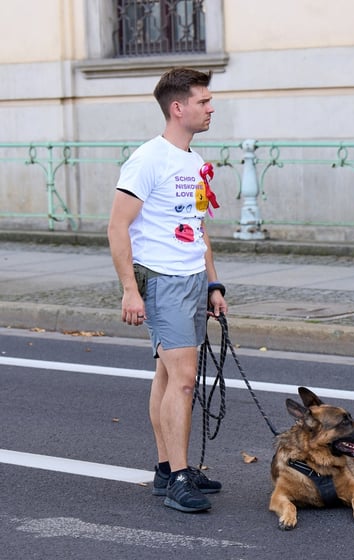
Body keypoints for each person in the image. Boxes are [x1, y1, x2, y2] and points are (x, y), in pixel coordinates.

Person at [107, 67, 226, 513]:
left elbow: (198, 227)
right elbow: (117, 227)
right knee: (184, 381)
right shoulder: (148, 159)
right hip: (162, 280)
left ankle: (165, 469)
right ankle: (178, 477)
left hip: (192, 279)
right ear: (178, 108)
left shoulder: (193, 161)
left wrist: (212, 283)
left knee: (167, 375)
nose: (211, 108)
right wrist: (129, 290)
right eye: (203, 101)